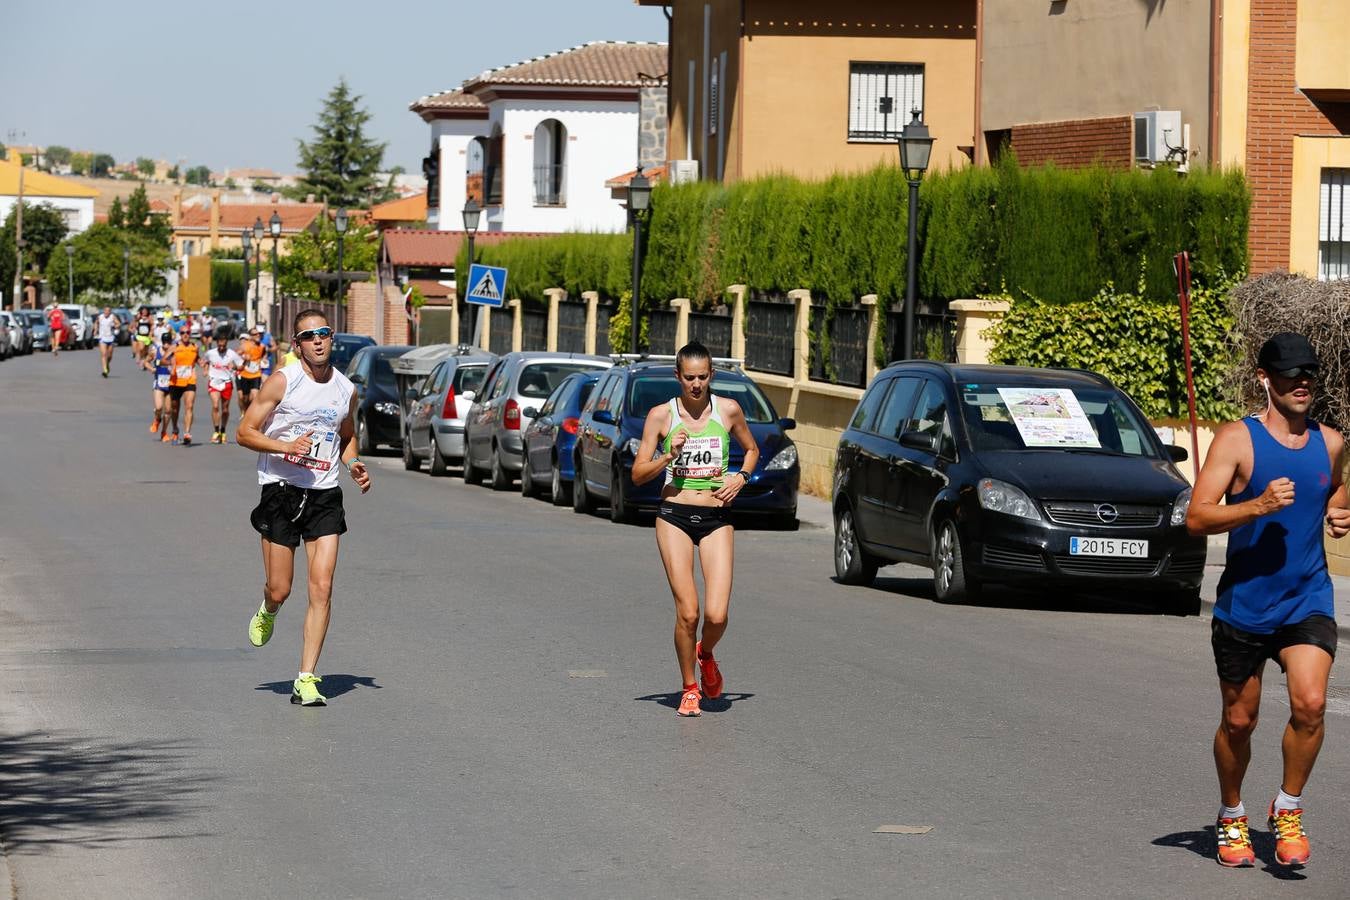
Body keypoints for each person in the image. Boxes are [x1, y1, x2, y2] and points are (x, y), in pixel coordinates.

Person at [1187, 332, 1349, 869]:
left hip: (1307, 598)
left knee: (1311, 703)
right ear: (1265, 380)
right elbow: (1197, 516)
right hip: (1245, 605)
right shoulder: (1238, 440)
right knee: (1239, 720)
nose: (1301, 383)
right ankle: (1232, 813)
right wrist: (1255, 505)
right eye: (1289, 375)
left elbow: (1337, 488)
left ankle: (1288, 805)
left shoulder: (1331, 442)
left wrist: (1341, 512)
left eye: (1308, 374)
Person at [236, 309, 371, 707]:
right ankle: (269, 607)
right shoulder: (283, 381)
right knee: (282, 587)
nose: (318, 341)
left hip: (324, 493)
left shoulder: (345, 390)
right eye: (309, 336)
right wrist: (285, 447)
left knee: (322, 587)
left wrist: (353, 464)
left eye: (324, 333)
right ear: (297, 345)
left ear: (332, 339)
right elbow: (244, 432)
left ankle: (306, 678)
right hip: (281, 490)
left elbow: (346, 435)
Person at [630, 341, 759, 718]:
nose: (697, 384)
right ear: (678, 377)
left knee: (717, 615)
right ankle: (689, 687)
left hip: (717, 517)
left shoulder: (729, 410)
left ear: (712, 375)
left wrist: (741, 477)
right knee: (689, 612)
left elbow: (751, 449)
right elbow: (638, 474)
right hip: (674, 516)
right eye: (690, 378)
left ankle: (705, 654)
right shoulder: (661, 416)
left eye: (703, 377)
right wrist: (667, 455)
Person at [164, 326, 201, 446]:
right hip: (175, 381)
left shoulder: (195, 347)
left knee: (189, 406)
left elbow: (197, 359)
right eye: (183, 332)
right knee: (174, 408)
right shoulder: (174, 347)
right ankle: (175, 428)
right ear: (180, 334)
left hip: (190, 380)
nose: (185, 334)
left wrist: (203, 364)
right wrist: (171, 362)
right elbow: (162, 360)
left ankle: (187, 433)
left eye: (187, 332)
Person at [205, 332, 243, 444]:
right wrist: (206, 369)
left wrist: (235, 366)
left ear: (226, 344)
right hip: (214, 382)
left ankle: (223, 430)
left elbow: (241, 365)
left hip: (226, 382)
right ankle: (216, 431)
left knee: (225, 409)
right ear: (217, 343)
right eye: (219, 345)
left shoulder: (232, 354)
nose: (221, 347)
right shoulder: (210, 353)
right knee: (216, 406)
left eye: (223, 346)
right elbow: (205, 361)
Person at [141, 330, 176, 439]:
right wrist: (151, 369)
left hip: (171, 384)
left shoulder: (175, 352)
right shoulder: (156, 351)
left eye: (168, 342)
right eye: (164, 342)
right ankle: (157, 419)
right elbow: (146, 362)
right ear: (162, 342)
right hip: (159, 383)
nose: (166, 345)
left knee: (168, 410)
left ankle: (164, 432)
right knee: (159, 407)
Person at [236, 327, 266, 414]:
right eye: (255, 334)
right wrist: (244, 357)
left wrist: (262, 361)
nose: (258, 335)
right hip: (245, 374)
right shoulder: (245, 345)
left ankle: (250, 415)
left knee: (254, 396)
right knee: (245, 398)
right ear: (250, 336)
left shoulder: (262, 346)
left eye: (258, 334)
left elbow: (263, 355)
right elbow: (235, 356)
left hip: (256, 374)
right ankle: (245, 412)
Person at [96, 306, 119, 377]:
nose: (107, 312)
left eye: (108, 311)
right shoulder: (100, 317)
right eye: (105, 310)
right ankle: (105, 370)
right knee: (104, 354)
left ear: (110, 311)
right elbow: (96, 323)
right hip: (102, 338)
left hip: (110, 338)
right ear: (104, 311)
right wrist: (95, 330)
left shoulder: (112, 317)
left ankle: (107, 364)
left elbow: (118, 323)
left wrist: (116, 326)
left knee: (109, 356)